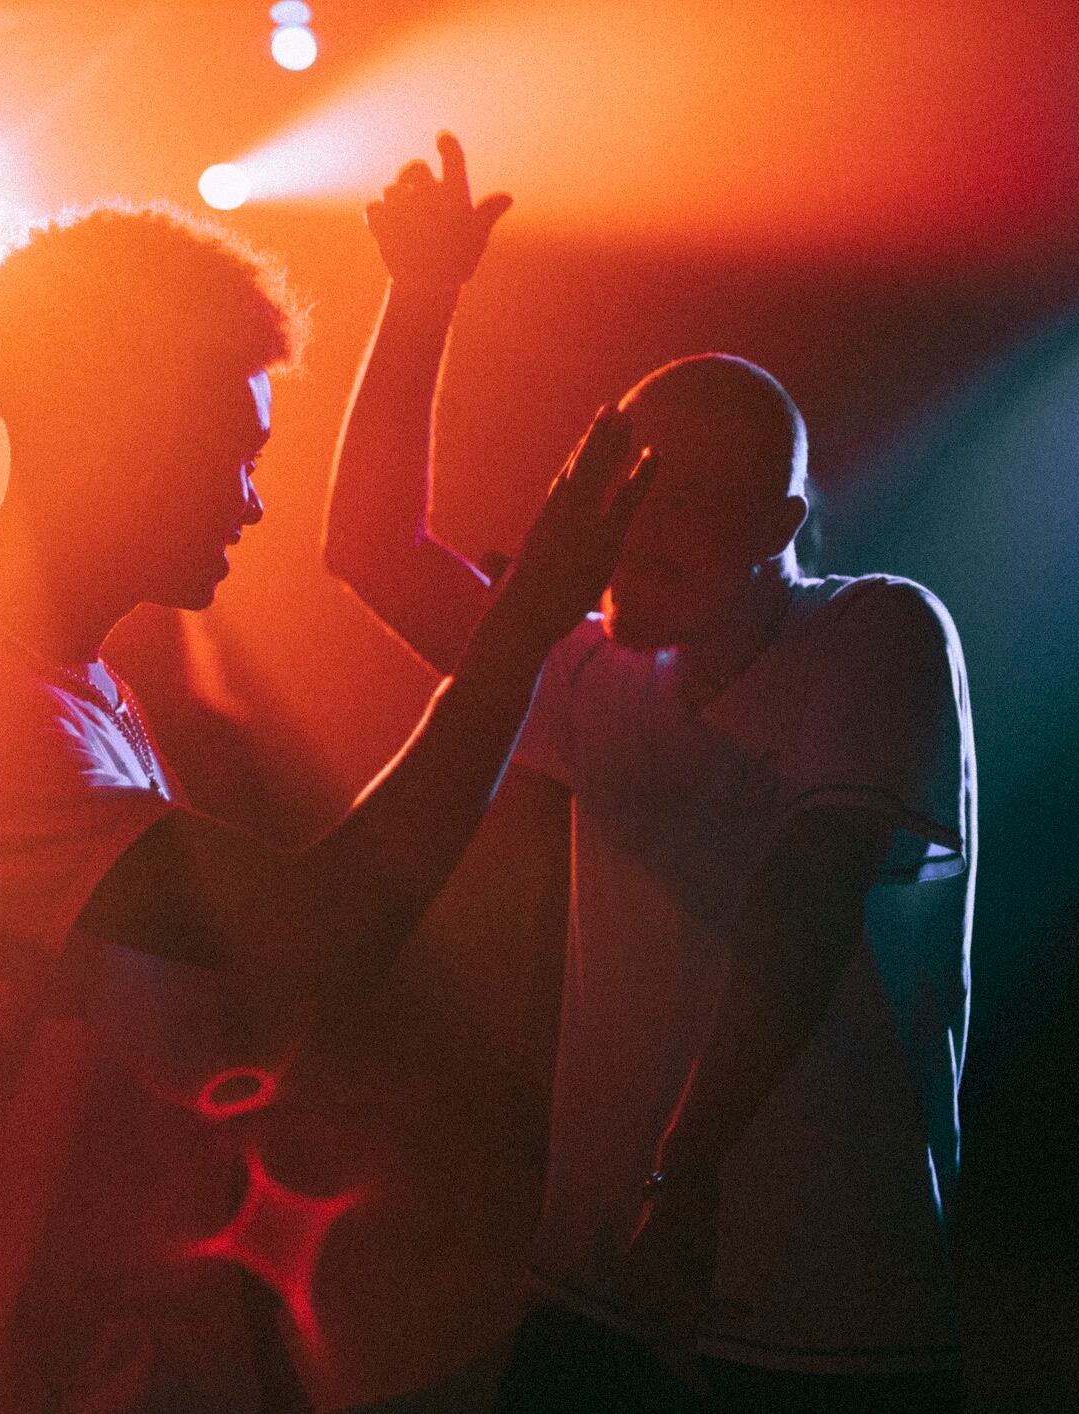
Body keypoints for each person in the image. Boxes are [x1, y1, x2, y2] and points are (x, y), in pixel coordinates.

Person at [0, 184, 650, 1413]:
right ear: (123, 428)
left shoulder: (72, 687)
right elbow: (324, 922)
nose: (252, 501)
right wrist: (519, 628)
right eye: (234, 451)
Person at [324, 135, 975, 1412]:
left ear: (779, 526)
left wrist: (683, 1178)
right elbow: (369, 550)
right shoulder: (589, 670)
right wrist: (420, 295)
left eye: (680, 498)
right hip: (593, 1278)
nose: (631, 530)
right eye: (618, 488)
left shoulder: (876, 631)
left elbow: (805, 898)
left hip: (827, 1313)